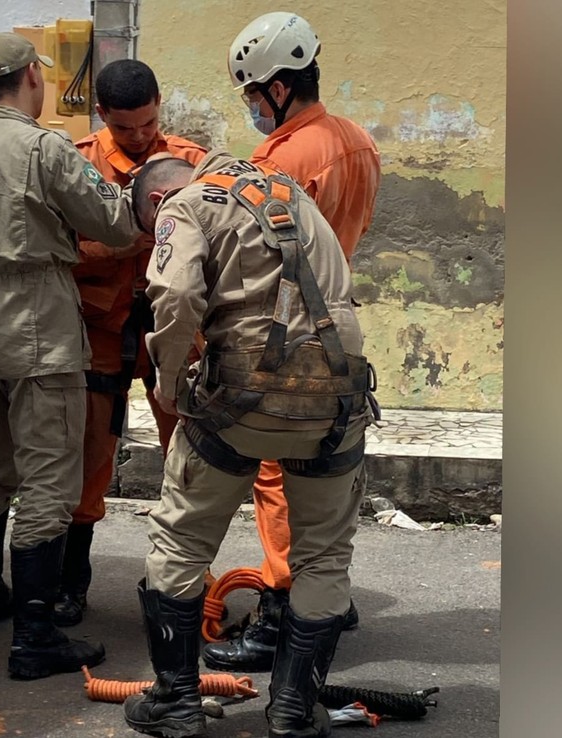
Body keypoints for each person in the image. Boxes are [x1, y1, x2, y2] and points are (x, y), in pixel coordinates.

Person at [122, 152, 376, 738]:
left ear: (157, 202)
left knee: (180, 541)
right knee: (324, 555)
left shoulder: (183, 205)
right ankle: (291, 713)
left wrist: (166, 384)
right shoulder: (290, 191)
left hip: (238, 402)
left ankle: (175, 705)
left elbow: (177, 294)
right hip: (336, 399)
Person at [0, 32, 141, 681]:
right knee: (51, 483)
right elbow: (110, 220)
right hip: (38, 323)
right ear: (32, 75)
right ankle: (35, 639)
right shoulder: (46, 147)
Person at [202, 11, 382, 674]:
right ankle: (324, 595)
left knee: (275, 472)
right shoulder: (358, 140)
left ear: (278, 88)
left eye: (252, 94)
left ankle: (281, 613)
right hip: (340, 330)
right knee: (327, 471)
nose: (252, 106)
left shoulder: (279, 159)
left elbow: (254, 257)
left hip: (285, 337)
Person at [52, 60, 206, 627]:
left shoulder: (191, 162)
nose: (139, 137)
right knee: (88, 461)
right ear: (102, 117)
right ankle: (71, 584)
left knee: (190, 458)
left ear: (160, 104)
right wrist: (128, 241)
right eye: (125, 129)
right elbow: (61, 251)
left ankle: (190, 586)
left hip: (173, 332)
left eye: (147, 124)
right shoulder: (77, 162)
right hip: (100, 332)